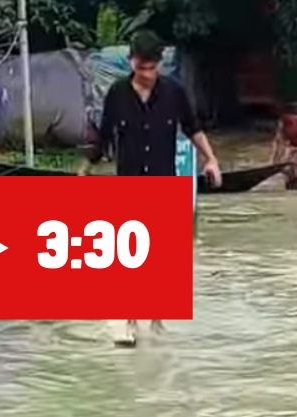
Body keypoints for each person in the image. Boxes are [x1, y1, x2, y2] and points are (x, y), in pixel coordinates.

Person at [79, 30, 222, 347]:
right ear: (132, 61)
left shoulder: (174, 92)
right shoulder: (117, 93)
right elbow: (103, 137)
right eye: (142, 68)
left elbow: (193, 127)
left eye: (153, 68)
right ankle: (129, 321)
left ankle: (156, 319)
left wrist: (210, 160)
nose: (147, 75)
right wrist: (85, 172)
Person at [270, 112, 297, 190]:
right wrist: (275, 165)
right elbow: (277, 147)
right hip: (290, 147)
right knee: (289, 174)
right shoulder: (282, 130)